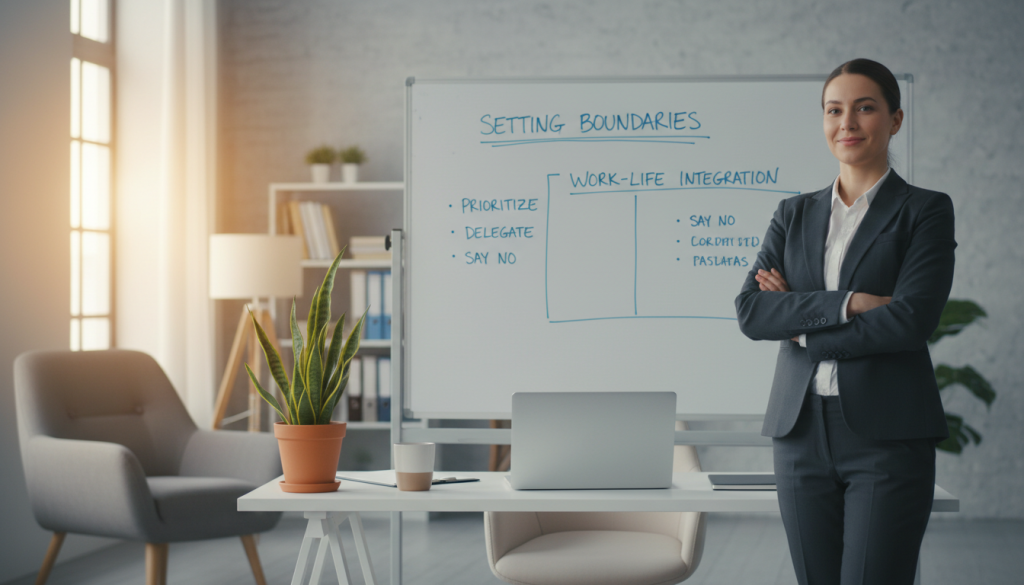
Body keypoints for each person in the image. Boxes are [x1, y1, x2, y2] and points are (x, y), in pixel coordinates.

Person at [735, 58, 956, 585]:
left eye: (865, 108)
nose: (847, 123)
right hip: (799, 430)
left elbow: (909, 321)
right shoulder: (792, 214)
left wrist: (800, 320)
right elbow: (751, 310)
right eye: (835, 110)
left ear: (895, 120)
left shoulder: (924, 211)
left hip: (888, 436)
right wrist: (851, 302)